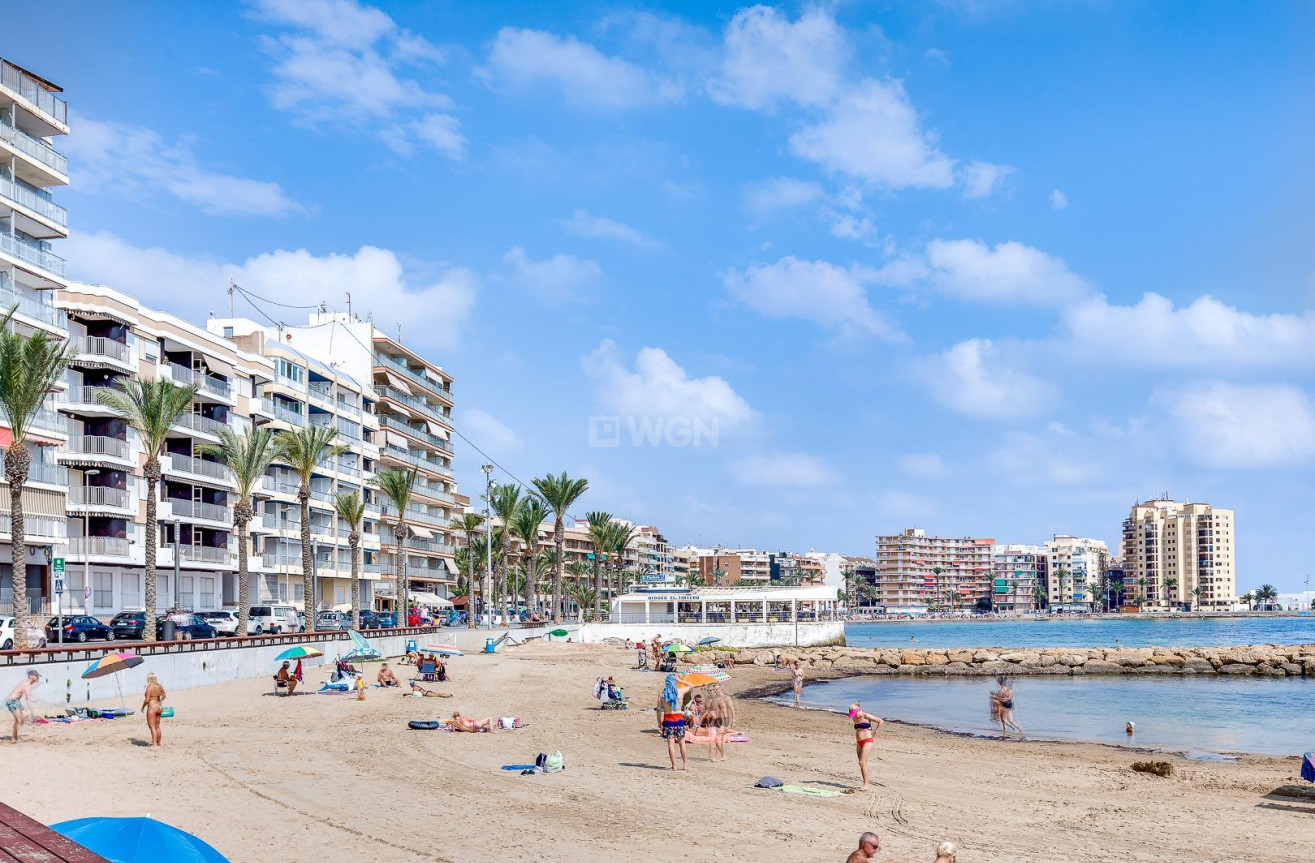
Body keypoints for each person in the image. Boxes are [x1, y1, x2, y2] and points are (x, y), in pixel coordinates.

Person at [846, 701, 884, 792]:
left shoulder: (866, 715)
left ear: (859, 710)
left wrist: (876, 732)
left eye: (855, 713)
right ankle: (865, 782)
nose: (854, 716)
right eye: (852, 714)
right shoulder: (854, 717)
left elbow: (880, 721)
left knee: (862, 762)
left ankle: (866, 784)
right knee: (862, 763)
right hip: (859, 742)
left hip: (867, 741)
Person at [659, 674, 687, 771]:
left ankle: (674, 766)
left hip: (668, 719)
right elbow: (691, 686)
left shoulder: (663, 694)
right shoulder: (680, 692)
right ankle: (685, 765)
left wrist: (659, 721)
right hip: (679, 719)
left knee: (671, 744)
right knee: (682, 743)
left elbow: (659, 709)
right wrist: (680, 681)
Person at [6, 670, 39, 743]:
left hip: (14, 701)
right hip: (13, 701)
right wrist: (32, 712)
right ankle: (14, 739)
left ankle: (14, 738)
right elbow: (28, 700)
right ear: (31, 676)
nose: (38, 677)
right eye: (36, 676)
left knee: (19, 721)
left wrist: (32, 701)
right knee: (19, 721)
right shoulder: (27, 685)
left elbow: (26, 696)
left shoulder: (25, 683)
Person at [142, 672, 166, 747]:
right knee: (157, 727)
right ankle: (158, 743)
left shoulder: (149, 687)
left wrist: (143, 706)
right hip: (159, 707)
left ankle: (154, 744)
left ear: (149, 679)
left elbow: (147, 699)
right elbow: (164, 695)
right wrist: (160, 700)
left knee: (152, 727)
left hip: (152, 707)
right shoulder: (159, 686)